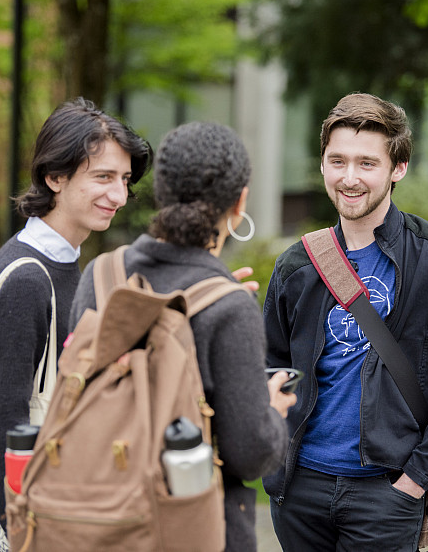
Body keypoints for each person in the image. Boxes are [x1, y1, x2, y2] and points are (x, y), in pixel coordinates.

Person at [262, 92, 428, 551]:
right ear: (322, 165)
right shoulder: (296, 264)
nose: (349, 178)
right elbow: (270, 367)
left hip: (387, 491)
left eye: (367, 163)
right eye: (337, 161)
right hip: (300, 490)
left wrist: (417, 478)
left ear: (397, 168)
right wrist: (275, 459)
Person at [69, 121, 295, 552]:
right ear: (240, 200)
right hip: (191, 529)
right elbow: (249, 452)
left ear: (161, 191)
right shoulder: (230, 308)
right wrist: (272, 408)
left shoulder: (101, 275)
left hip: (98, 519)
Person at [0, 97, 152, 531]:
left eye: (124, 180)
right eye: (103, 177)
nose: (119, 195)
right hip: (38, 522)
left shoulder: (68, 265)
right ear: (55, 177)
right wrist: (34, 532)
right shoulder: (27, 281)